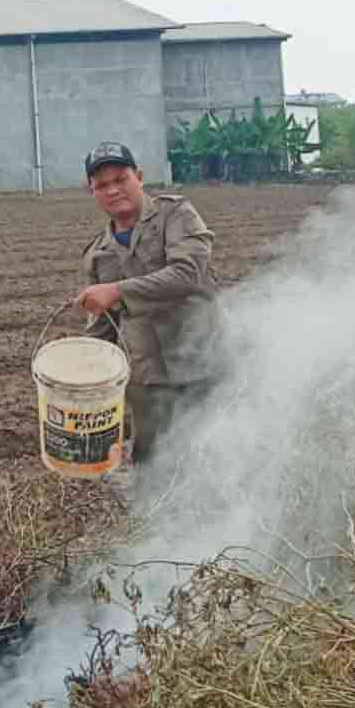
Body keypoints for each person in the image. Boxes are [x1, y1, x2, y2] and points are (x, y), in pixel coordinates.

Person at [75, 141, 220, 469]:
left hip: (201, 363)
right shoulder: (98, 253)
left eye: (120, 179)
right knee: (152, 465)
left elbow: (187, 274)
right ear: (92, 192)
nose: (112, 190)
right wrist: (80, 378)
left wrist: (117, 290)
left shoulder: (175, 214)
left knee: (214, 454)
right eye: (102, 185)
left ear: (139, 177)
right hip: (147, 381)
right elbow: (102, 330)